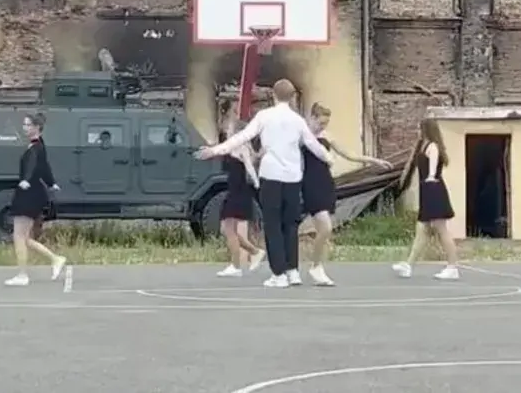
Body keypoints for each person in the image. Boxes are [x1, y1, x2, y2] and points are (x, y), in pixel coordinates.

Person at [196, 79, 332, 288]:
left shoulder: (264, 116)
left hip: (271, 177)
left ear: (274, 96)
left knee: (273, 224)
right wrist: (327, 158)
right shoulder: (297, 121)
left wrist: (214, 150)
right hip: (293, 178)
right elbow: (313, 145)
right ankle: (292, 270)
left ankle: (278, 274)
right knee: (290, 225)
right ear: (293, 96)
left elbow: (242, 136)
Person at [304, 103, 390, 287]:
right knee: (325, 228)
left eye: (326, 123)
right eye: (320, 123)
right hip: (308, 184)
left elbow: (349, 155)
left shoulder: (327, 137)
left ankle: (317, 264)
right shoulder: (302, 135)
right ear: (312, 118)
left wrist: (373, 160)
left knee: (325, 229)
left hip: (325, 183)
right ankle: (315, 266)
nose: (323, 127)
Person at [392, 118, 459, 281]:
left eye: (420, 129)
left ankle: (452, 267)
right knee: (422, 229)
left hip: (433, 189)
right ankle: (408, 265)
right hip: (426, 190)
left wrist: (430, 177)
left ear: (426, 130)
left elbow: (433, 167)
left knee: (440, 228)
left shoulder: (432, 146)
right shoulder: (422, 146)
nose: (418, 132)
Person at [5, 113, 67, 287]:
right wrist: (51, 183)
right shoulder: (38, 146)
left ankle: (23, 275)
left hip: (28, 193)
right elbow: (44, 166)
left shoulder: (35, 147)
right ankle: (55, 258)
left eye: (27, 125)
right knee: (23, 237)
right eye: (24, 125)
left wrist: (26, 179)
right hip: (33, 192)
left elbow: (33, 165)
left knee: (19, 236)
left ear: (36, 128)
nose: (24, 128)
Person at [215, 112, 266, 278]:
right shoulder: (232, 147)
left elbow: (250, 167)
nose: (226, 129)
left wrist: (257, 183)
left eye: (229, 127)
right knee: (226, 229)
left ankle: (236, 265)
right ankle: (254, 251)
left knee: (229, 228)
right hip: (234, 190)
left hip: (239, 191)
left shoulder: (240, 147)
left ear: (236, 131)